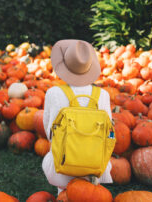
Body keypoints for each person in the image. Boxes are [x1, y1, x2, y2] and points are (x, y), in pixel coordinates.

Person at [42, 39, 113, 195]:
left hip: (62, 167)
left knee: (53, 153)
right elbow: (110, 132)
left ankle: (63, 193)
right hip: (96, 167)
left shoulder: (53, 93)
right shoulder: (103, 95)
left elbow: (48, 131)